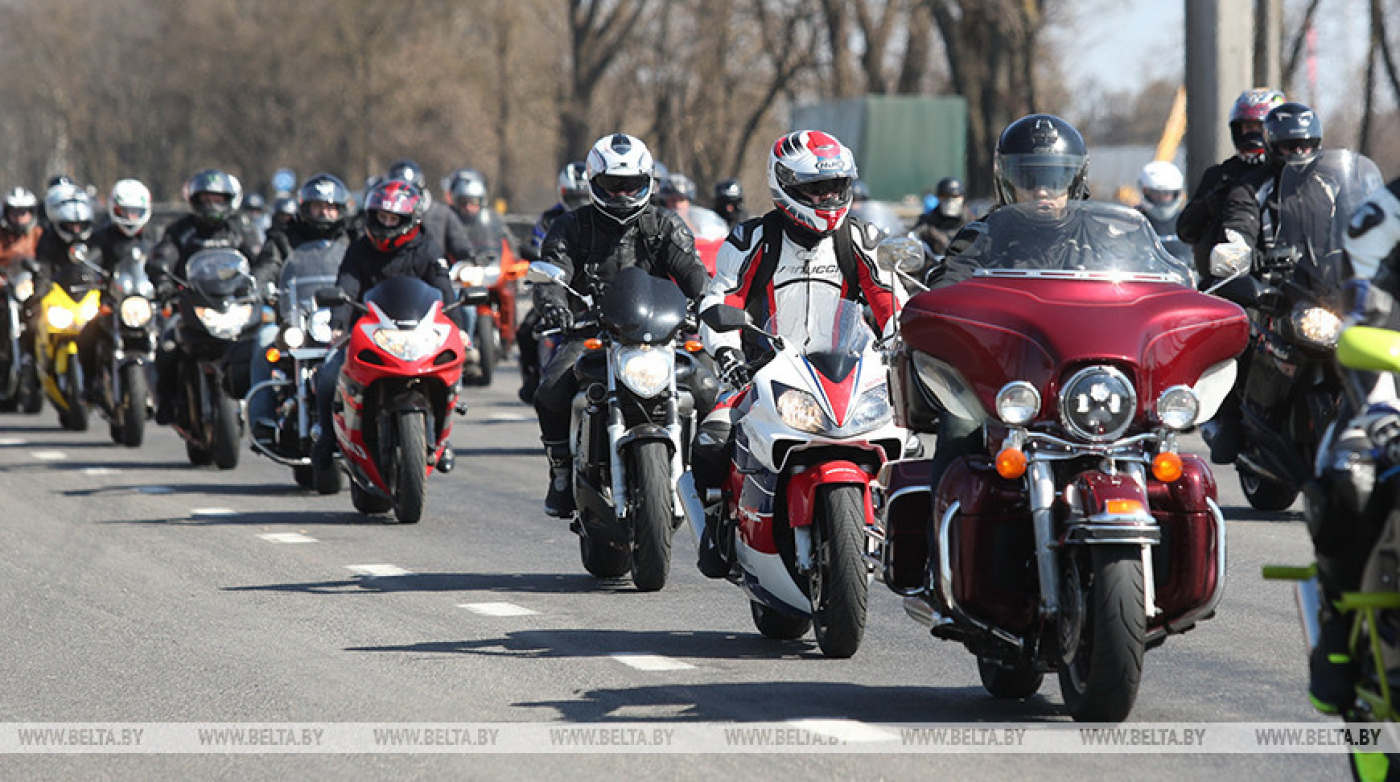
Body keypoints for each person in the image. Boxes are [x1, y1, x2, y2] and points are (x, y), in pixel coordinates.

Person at [690, 129, 898, 577]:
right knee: (710, 438)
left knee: (913, 442)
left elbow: (887, 299)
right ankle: (715, 519)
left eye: (834, 187)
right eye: (814, 188)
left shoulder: (857, 237)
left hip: (846, 371)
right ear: (784, 185)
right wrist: (728, 354)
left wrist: (902, 343)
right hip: (763, 371)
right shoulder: (751, 240)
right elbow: (720, 301)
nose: (826, 197)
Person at [533, 133, 712, 517]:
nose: (623, 195)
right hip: (593, 333)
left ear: (648, 183)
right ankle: (561, 470)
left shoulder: (666, 225)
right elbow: (554, 271)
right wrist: (554, 305)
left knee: (709, 386)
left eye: (631, 186)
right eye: (613, 187)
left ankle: (712, 481)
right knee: (549, 389)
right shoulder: (571, 226)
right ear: (594, 184)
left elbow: (692, 270)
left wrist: (706, 302)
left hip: (660, 336)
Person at [1302, 175, 1400, 715]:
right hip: (1388, 391)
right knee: (1351, 475)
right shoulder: (1382, 218)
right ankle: (1338, 637)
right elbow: (1364, 321)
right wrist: (1382, 414)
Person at [311, 178, 464, 474]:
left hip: (418, 333)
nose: (386, 222)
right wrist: (339, 324)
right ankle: (328, 437)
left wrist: (457, 326)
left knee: (450, 375)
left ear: (409, 219)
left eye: (393, 218)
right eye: (381, 216)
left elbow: (444, 289)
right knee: (328, 373)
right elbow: (346, 286)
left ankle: (441, 437)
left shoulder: (427, 248)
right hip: (369, 331)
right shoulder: (359, 250)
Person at [1203, 102, 1324, 465]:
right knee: (1246, 335)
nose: (1298, 153)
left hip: (1321, 287)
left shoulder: (1327, 188)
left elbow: (1356, 225)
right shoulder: (1249, 188)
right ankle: (1232, 419)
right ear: (1273, 146)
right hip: (1271, 287)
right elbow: (1239, 226)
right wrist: (1242, 252)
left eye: (1305, 144)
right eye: (1290, 146)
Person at [148, 168, 259, 425]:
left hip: (232, 306)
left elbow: (261, 261)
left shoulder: (241, 229)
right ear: (195, 201)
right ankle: (166, 402)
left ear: (229, 200)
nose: (211, 205)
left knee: (263, 343)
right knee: (167, 344)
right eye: (206, 199)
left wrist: (262, 283)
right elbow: (162, 257)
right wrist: (164, 281)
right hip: (192, 305)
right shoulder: (180, 231)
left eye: (217, 199)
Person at [247, 173, 353, 443]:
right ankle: (263, 418)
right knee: (264, 341)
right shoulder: (284, 238)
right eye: (318, 206)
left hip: (341, 320)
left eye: (331, 207)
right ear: (305, 208)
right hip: (297, 319)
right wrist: (257, 284)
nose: (325, 213)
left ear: (341, 210)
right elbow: (269, 264)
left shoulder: (351, 239)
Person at [1178, 88, 1285, 283]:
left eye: (1258, 126)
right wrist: (1209, 205)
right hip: (1226, 281)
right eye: (1247, 126)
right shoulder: (1219, 175)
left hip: (1281, 279)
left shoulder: (1285, 174)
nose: (1251, 133)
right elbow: (1185, 230)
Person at [517, 161, 588, 404]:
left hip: (591, 289)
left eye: (583, 196)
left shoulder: (602, 219)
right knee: (527, 329)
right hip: (560, 285)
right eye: (574, 197)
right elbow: (537, 244)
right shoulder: (550, 219)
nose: (579, 202)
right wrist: (541, 261)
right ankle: (531, 378)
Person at [78, 179, 154, 399]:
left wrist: (168, 282)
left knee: (173, 339)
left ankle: (171, 394)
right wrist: (90, 276)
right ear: (115, 210)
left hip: (145, 303)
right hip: (112, 301)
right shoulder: (102, 237)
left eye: (135, 212)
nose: (131, 217)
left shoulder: (152, 237)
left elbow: (164, 260)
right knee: (86, 336)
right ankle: (90, 384)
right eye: (125, 211)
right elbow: (90, 260)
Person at [1135, 161, 1190, 263]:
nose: (1162, 199)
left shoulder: (1189, 221)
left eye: (1167, 194)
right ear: (1144, 191)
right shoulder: (1132, 222)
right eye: (1156, 194)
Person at [911, 176, 968, 256]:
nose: (950, 201)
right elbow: (910, 236)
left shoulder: (973, 222)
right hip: (935, 265)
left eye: (955, 196)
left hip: (968, 265)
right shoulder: (927, 222)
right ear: (938, 197)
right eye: (945, 196)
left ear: (963, 197)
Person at [0, 187, 42, 272]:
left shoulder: (39, 235)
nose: (19, 218)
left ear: (31, 213)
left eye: (23, 212)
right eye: (14, 212)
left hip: (34, 282)